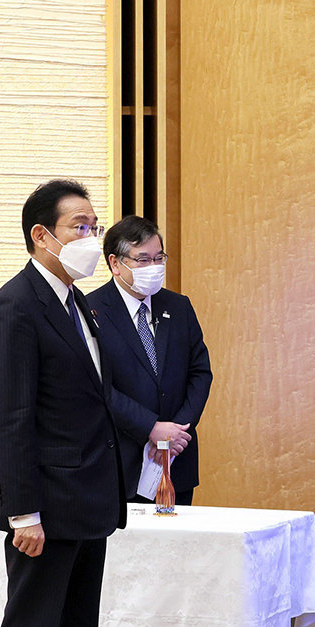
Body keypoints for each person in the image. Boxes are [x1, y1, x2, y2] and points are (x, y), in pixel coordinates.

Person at [0, 179, 126, 627]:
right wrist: (23, 513)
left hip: (87, 501)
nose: (92, 238)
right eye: (80, 227)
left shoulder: (78, 302)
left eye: (95, 227)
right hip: (45, 507)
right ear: (42, 235)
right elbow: (11, 418)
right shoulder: (16, 304)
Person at [87, 215, 212, 505]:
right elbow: (97, 386)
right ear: (115, 263)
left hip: (175, 458)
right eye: (143, 260)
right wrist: (151, 428)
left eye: (159, 258)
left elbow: (200, 373)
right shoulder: (91, 310)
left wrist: (175, 433)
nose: (154, 267)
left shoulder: (178, 306)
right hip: (120, 463)